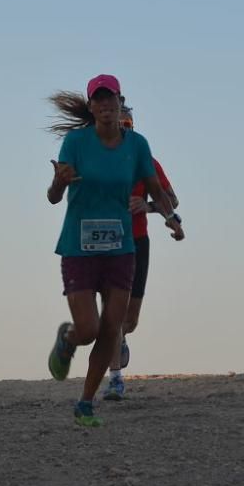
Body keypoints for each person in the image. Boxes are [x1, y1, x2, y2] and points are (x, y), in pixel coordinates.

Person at [45, 74, 184, 427]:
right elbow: (53, 196)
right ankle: (68, 338)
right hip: (79, 246)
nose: (107, 106)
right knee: (89, 328)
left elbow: (157, 186)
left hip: (122, 247)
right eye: (99, 100)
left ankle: (86, 402)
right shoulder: (75, 142)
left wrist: (170, 217)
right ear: (91, 107)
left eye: (112, 100)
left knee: (114, 327)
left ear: (120, 102)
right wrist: (59, 181)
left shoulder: (137, 145)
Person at [103, 105, 181, 401]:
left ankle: (121, 338)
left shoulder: (147, 161)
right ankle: (115, 379)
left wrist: (146, 206)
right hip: (107, 244)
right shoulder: (100, 161)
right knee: (111, 313)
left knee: (129, 320)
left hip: (138, 241)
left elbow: (172, 199)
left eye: (127, 124)